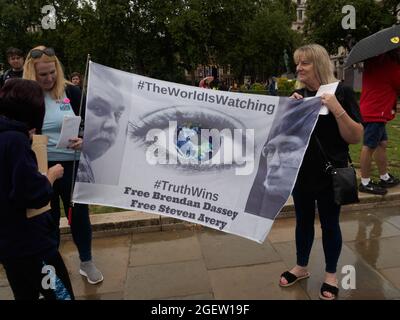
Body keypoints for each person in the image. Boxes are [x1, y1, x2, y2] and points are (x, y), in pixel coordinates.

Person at [278, 44, 363, 300]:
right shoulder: (299, 95)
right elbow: (288, 138)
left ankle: (330, 275)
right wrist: (289, 114)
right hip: (302, 172)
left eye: (304, 63)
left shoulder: (343, 92)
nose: (298, 68)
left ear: (319, 64)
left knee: (329, 224)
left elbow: (356, 136)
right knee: (302, 221)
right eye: (297, 63)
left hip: (330, 173)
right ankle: (301, 267)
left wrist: (336, 108)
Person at [23, 46, 103, 284]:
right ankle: (51, 267)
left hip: (73, 165)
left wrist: (84, 139)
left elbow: (95, 124)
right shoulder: (25, 96)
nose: (49, 79)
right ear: (31, 73)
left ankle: (86, 261)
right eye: (42, 75)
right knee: (47, 219)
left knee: (79, 216)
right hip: (41, 168)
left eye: (52, 73)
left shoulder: (72, 92)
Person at [0, 78, 74, 300]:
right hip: (32, 246)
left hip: (8, 244)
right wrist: (50, 177)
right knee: (61, 296)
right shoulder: (15, 141)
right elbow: (31, 194)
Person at [245, 97, 321, 220]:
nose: (273, 163)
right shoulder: (254, 205)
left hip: (317, 184)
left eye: (287, 149)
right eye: (269, 150)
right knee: (303, 222)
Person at [358, 49, 400, 195]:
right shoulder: (391, 65)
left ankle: (384, 177)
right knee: (369, 147)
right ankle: (365, 182)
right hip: (376, 112)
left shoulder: (373, 60)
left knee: (381, 144)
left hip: (370, 109)